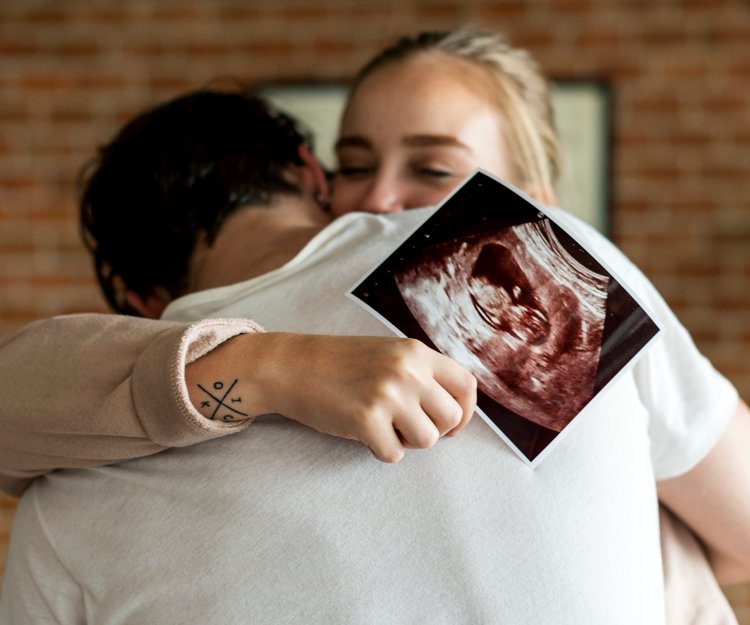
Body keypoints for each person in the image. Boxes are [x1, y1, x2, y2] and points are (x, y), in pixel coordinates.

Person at [0, 27, 745, 622]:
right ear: (312, 173)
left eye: (433, 172)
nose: (386, 203)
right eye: (359, 163)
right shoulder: (525, 255)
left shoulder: (66, 490)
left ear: (137, 299)